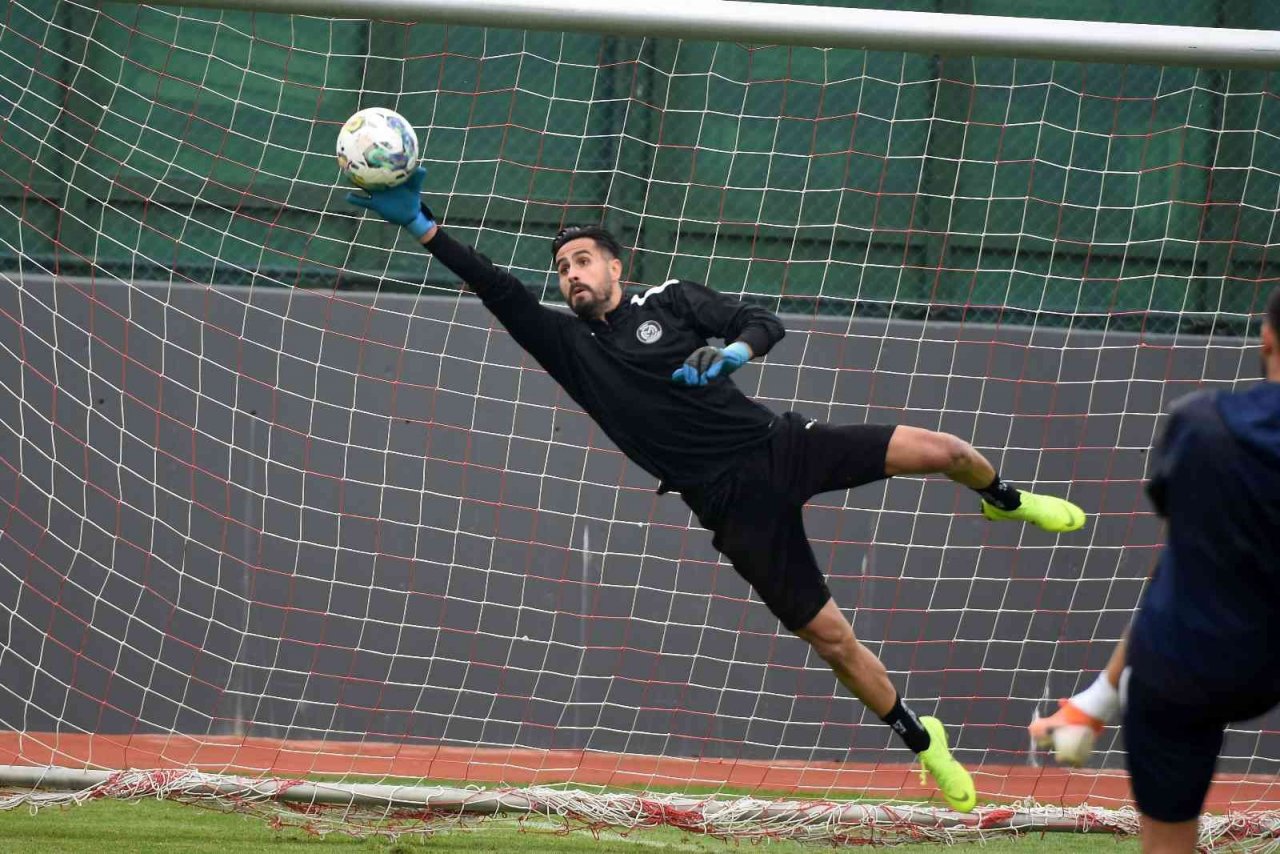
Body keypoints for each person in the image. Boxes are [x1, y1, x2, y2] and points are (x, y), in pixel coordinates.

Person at [348, 167, 1089, 814]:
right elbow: (496, 287)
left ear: (616, 267)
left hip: (782, 447)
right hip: (729, 506)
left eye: (583, 260)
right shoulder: (569, 348)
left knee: (946, 450)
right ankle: (925, 742)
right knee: (832, 640)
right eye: (563, 267)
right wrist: (421, 225)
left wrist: (731, 351)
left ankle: (1005, 498)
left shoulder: (671, 302)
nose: (571, 274)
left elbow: (763, 323)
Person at [1029, 284, 1280, 852]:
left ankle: (1099, 702)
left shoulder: (1200, 425)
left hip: (1189, 665)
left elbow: (1177, 558)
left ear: (1265, 339)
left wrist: (1100, 698)